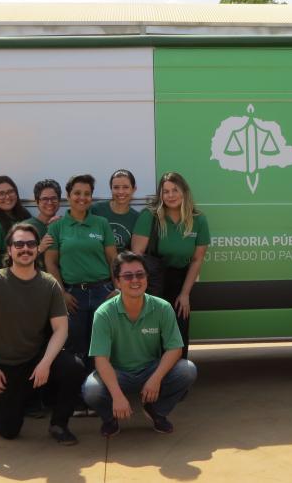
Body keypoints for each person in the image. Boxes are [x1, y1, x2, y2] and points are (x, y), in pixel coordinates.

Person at [0, 223, 85, 444]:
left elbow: (61, 328)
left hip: (34, 361)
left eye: (31, 244)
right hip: (2, 366)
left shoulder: (49, 284)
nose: (25, 249)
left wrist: (46, 363)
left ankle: (59, 424)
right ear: (9, 250)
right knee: (9, 430)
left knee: (74, 367)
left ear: (37, 248)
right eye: (19, 244)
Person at [82, 251, 198, 437]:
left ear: (147, 278)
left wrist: (156, 379)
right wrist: (117, 396)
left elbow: (175, 348)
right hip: (118, 373)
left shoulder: (162, 307)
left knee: (187, 370)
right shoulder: (104, 313)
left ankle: (156, 411)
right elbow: (101, 360)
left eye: (140, 274)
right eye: (128, 276)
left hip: (150, 370)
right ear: (117, 282)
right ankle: (111, 418)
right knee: (91, 389)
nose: (135, 280)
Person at [131, 172, 210, 359]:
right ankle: (151, 373)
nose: (170, 195)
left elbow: (197, 259)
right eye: (165, 191)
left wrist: (185, 294)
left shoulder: (198, 219)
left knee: (178, 333)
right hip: (152, 283)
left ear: (184, 192)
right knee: (151, 334)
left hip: (180, 282)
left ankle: (178, 374)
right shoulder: (150, 216)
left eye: (175, 190)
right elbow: (136, 255)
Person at [43, 174, 118, 362]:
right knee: (76, 349)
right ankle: (80, 381)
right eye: (77, 193)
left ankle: (101, 381)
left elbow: (113, 259)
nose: (82, 197)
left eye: (87, 193)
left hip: (103, 293)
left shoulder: (101, 224)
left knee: (103, 347)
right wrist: (62, 293)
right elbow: (51, 263)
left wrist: (117, 289)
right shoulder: (57, 227)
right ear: (68, 196)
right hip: (72, 296)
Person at [91, 169, 141, 253]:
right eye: (116, 187)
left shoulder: (137, 218)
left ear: (133, 189)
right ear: (111, 189)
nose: (120, 192)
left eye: (125, 187)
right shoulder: (95, 209)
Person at [26, 179, 63, 256]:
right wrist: (39, 248)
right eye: (44, 199)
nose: (50, 202)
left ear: (59, 200)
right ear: (37, 202)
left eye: (54, 198)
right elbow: (16, 259)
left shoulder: (64, 223)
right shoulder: (26, 227)